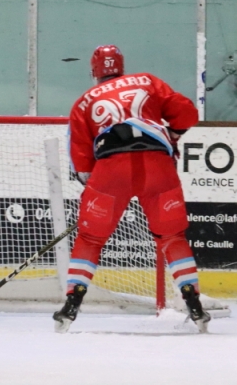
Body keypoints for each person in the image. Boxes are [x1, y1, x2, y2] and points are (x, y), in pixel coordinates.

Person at [54, 45, 209, 333]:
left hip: (111, 171)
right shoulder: (148, 81)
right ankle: (194, 302)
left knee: (90, 239)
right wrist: (173, 133)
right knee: (172, 237)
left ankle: (71, 304)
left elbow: (82, 163)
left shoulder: (83, 103)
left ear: (94, 71)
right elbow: (187, 113)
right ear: (121, 66)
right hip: (157, 166)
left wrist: (95, 191)